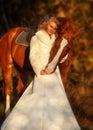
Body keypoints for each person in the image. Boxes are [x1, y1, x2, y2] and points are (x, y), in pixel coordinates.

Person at [1, 16, 81, 130]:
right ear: (46, 25)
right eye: (51, 26)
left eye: (55, 28)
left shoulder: (55, 39)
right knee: (36, 99)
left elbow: (58, 56)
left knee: (56, 100)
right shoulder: (36, 38)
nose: (52, 30)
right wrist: (39, 70)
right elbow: (33, 56)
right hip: (41, 72)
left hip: (53, 73)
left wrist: (65, 52)